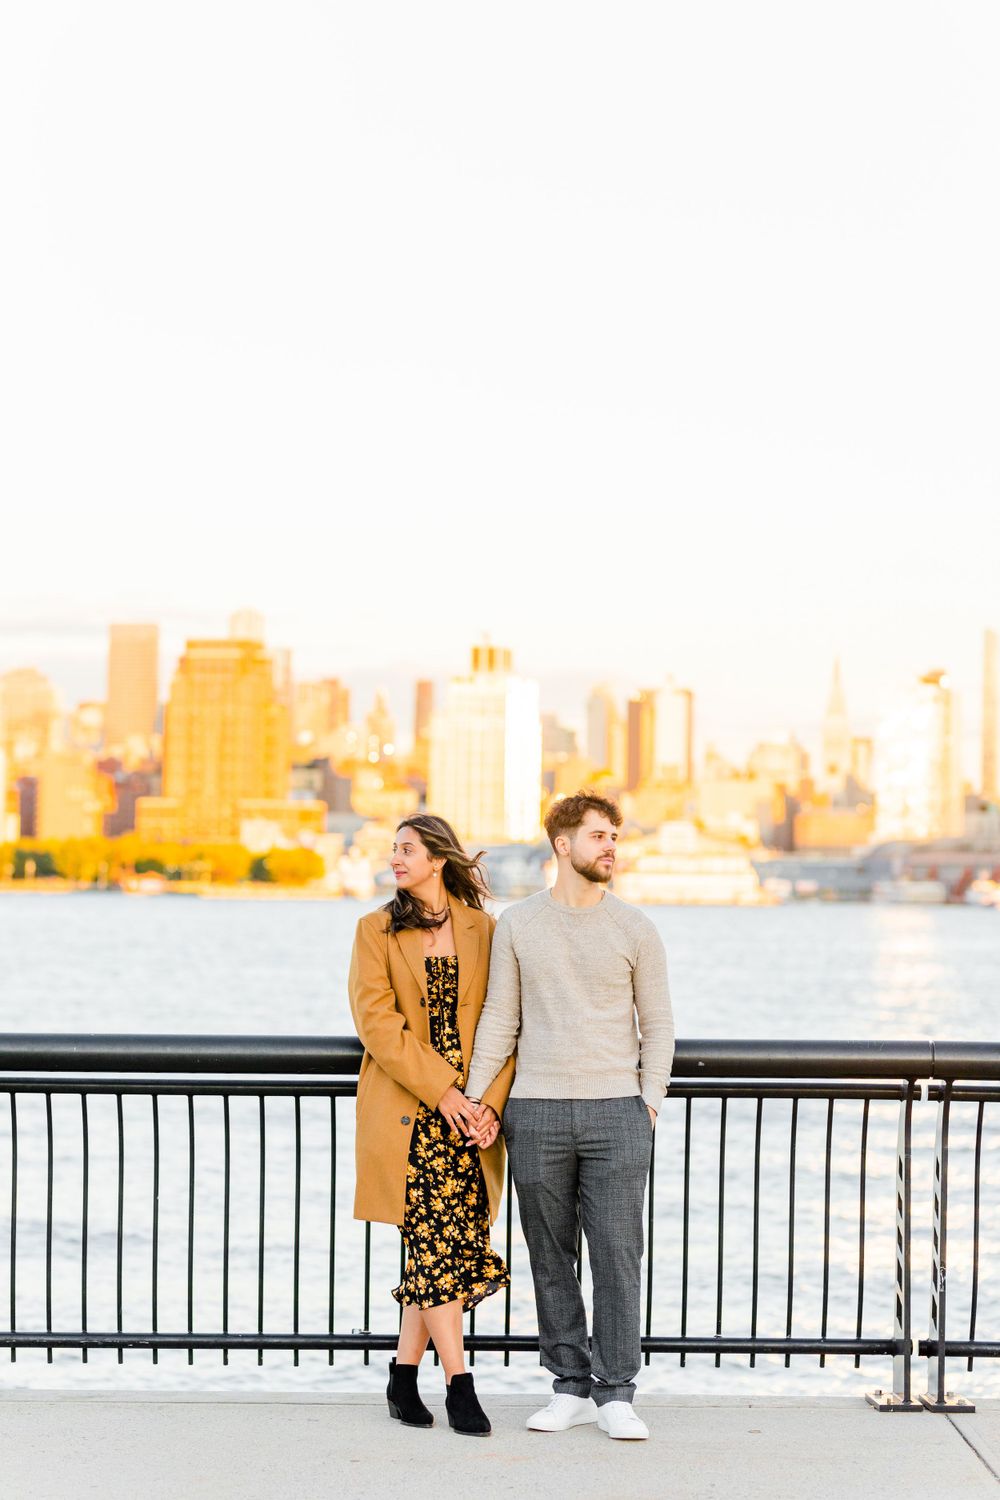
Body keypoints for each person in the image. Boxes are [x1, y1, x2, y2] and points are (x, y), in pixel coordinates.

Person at [465, 790, 675, 1441]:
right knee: (550, 1255)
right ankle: (568, 1386)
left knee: (617, 1253)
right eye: (598, 836)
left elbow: (659, 1023)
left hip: (618, 1112)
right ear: (563, 844)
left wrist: (650, 1101)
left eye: (613, 836)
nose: (611, 846)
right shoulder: (519, 925)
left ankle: (615, 1391)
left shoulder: (636, 927)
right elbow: (501, 1015)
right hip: (536, 1110)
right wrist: (478, 1101)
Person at [348, 814, 515, 1437]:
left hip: (472, 1119)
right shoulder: (375, 930)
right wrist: (443, 1093)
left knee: (439, 1249)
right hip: (412, 1114)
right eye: (393, 849)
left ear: (438, 859)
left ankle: (400, 1375)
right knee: (437, 1247)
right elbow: (378, 1025)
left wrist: (488, 1105)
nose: (395, 858)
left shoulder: (485, 929)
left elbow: (508, 1023)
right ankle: (460, 1384)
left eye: (407, 848)